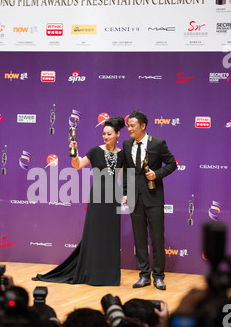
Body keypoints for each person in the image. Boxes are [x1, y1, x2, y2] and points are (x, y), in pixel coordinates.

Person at [33, 116, 125, 286]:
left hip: (114, 199)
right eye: (104, 133)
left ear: (118, 134)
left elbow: (127, 176)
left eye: (109, 134)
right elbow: (78, 165)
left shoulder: (123, 154)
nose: (105, 137)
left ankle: (108, 276)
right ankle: (92, 274)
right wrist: (74, 152)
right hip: (97, 198)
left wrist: (127, 194)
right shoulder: (95, 151)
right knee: (95, 235)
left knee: (110, 237)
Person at [122, 110, 177, 290]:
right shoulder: (126, 144)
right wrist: (125, 193)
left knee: (157, 238)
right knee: (139, 239)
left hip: (154, 198)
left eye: (132, 125)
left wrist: (157, 174)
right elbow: (128, 172)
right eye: (128, 125)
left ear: (143, 126)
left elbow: (172, 164)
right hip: (134, 198)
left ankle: (159, 276)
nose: (129, 128)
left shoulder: (158, 144)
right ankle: (144, 275)